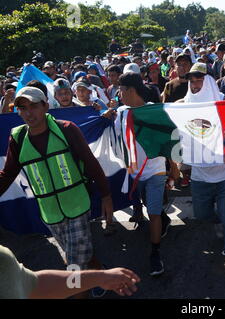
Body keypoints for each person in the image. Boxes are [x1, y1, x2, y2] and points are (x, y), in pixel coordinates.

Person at [0, 87, 114, 298]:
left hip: (77, 205)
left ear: (45, 105)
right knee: (80, 254)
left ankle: (79, 292)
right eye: (22, 108)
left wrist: (106, 196)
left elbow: (90, 163)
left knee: (73, 264)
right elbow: (8, 174)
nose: (28, 112)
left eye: (33, 106)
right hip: (50, 213)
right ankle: (99, 272)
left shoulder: (67, 129)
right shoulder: (17, 138)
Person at [102, 72, 178, 276]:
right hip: (134, 173)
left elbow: (169, 138)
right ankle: (164, 220)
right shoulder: (121, 112)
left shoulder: (154, 110)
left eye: (121, 89)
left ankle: (155, 254)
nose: (118, 93)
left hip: (155, 170)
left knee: (152, 213)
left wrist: (174, 166)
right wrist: (106, 115)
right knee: (147, 206)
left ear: (131, 90)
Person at [177, 63, 225, 281]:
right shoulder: (182, 106)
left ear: (210, 80)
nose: (195, 84)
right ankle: (218, 221)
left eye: (199, 79)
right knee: (203, 214)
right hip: (200, 175)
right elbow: (160, 114)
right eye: (191, 80)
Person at [0, 245, 140, 299]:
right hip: (51, 216)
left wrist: (100, 277)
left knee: (74, 259)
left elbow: (35, 284)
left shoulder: (3, 258)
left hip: (75, 209)